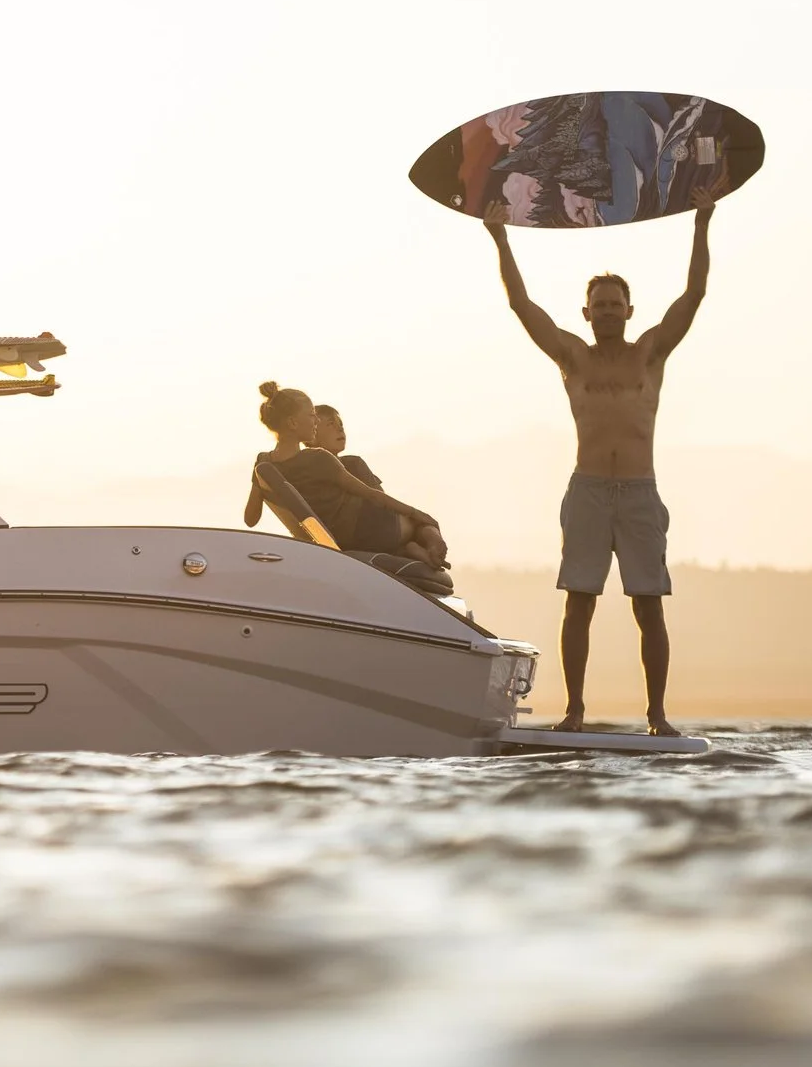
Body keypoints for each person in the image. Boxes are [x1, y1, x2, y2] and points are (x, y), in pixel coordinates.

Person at [486, 188, 715, 735]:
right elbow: (522, 306)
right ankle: (574, 712)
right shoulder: (572, 357)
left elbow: (694, 294)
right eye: (600, 305)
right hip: (588, 490)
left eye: (616, 304)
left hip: (638, 492)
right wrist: (499, 238)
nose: (608, 312)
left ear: (629, 311)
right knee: (579, 603)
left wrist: (702, 221)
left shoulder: (650, 354)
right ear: (586, 314)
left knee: (649, 607)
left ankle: (657, 717)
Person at [248, 384, 449, 566]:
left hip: (340, 539)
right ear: (293, 423)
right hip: (367, 531)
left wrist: (257, 485)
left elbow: (250, 518)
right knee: (419, 523)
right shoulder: (319, 458)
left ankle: (408, 550)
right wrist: (417, 513)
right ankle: (420, 548)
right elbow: (372, 495)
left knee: (409, 524)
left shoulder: (263, 464)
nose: (316, 420)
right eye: (311, 415)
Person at [310, 404, 383, 490]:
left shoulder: (354, 464)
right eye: (330, 424)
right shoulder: (306, 472)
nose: (340, 428)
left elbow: (381, 497)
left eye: (341, 424)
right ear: (312, 433)